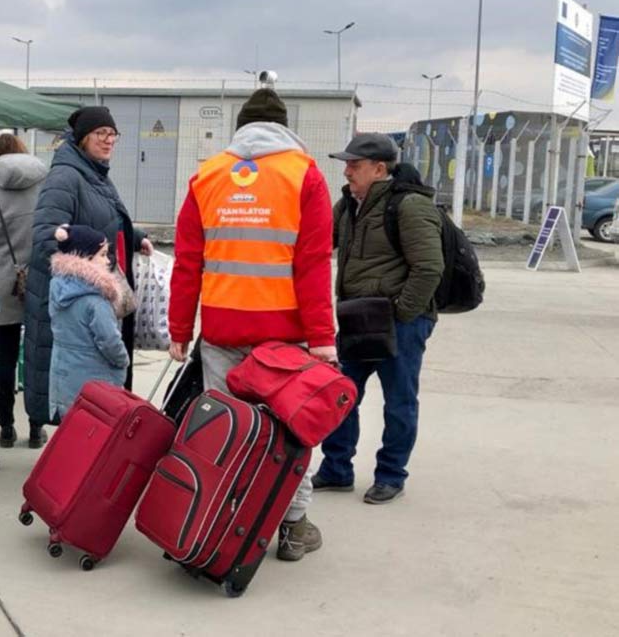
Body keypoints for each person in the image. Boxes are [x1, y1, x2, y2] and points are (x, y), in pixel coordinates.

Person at [169, 88, 337, 562]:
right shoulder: (304, 174)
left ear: (241, 127)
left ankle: (223, 520)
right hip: (284, 335)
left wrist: (180, 331)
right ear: (284, 126)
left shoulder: (208, 175)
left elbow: (187, 263)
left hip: (221, 332)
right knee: (291, 429)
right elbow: (313, 264)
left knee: (228, 429)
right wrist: (322, 338)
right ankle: (292, 527)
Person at [315, 133, 443, 505]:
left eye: (355, 164)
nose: (347, 170)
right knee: (340, 393)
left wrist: (401, 313)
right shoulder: (350, 204)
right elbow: (322, 242)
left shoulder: (408, 206)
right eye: (347, 163)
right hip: (358, 317)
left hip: (401, 321)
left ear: (379, 168)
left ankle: (390, 475)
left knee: (398, 401)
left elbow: (429, 267)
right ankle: (336, 469)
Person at [23, 106, 153, 448]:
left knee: (94, 396)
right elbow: (48, 238)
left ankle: (89, 458)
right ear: (83, 139)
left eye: (113, 134)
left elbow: (101, 218)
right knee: (84, 394)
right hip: (81, 299)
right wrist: (91, 275)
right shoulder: (66, 176)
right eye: (101, 134)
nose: (109, 140)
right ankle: (77, 467)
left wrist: (135, 236)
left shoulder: (94, 172)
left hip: (98, 293)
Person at [0, 133, 47, 448]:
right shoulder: (45, 185)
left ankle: (6, 427)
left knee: (5, 358)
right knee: (37, 358)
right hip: (39, 280)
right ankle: (36, 428)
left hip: (2, 283)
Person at [48, 225, 131, 418]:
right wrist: (123, 360)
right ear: (85, 259)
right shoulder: (95, 300)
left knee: (72, 434)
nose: (107, 260)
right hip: (95, 382)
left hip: (64, 379)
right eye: (102, 255)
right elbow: (109, 341)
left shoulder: (58, 289)